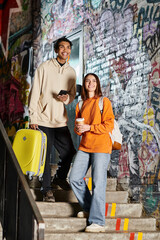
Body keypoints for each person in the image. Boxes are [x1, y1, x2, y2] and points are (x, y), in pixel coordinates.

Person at [28, 37, 76, 202]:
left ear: (70, 50)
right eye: (62, 47)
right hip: (42, 119)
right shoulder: (45, 67)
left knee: (69, 152)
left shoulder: (71, 71)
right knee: (45, 156)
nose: (65, 50)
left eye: (68, 47)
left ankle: (60, 177)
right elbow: (34, 93)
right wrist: (33, 117)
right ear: (57, 50)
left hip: (60, 121)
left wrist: (67, 99)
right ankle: (46, 189)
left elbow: (72, 93)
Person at [69, 73, 114, 232]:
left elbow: (109, 126)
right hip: (85, 146)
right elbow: (78, 129)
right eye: (88, 80)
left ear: (97, 84)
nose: (90, 83)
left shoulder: (103, 101)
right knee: (74, 178)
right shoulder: (80, 105)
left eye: (94, 81)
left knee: (98, 183)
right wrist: (80, 129)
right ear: (84, 84)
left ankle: (98, 222)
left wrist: (90, 127)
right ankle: (88, 207)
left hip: (101, 146)